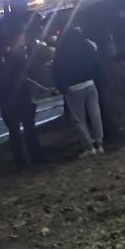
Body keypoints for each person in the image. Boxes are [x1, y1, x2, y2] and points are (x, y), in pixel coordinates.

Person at [0, 30, 46, 168]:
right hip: (21, 100)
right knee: (28, 129)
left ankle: (21, 161)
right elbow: (28, 78)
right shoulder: (19, 60)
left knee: (15, 132)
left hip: (8, 102)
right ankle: (36, 157)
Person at [52, 24, 105, 156]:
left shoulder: (61, 50)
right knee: (95, 114)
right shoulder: (85, 44)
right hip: (90, 83)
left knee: (79, 119)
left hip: (74, 88)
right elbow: (96, 61)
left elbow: (57, 70)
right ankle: (99, 143)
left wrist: (61, 87)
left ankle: (88, 147)